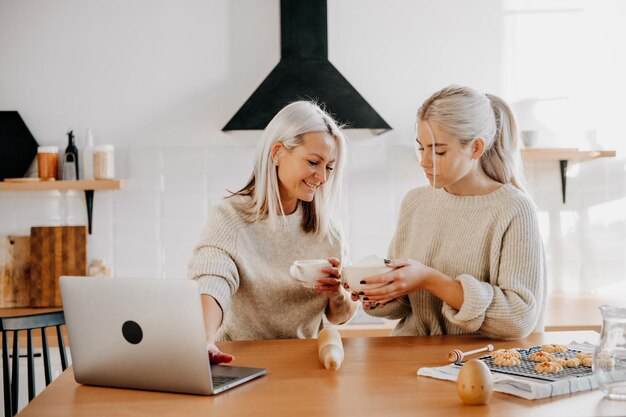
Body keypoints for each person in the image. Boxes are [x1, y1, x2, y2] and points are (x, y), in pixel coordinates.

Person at [355, 85, 546, 339]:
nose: (424, 161)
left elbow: (518, 318)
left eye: (439, 151)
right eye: (421, 148)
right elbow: (405, 306)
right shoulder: (415, 202)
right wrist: (376, 293)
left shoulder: (513, 209)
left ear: (476, 148)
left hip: (475, 365)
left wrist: (430, 280)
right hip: (409, 357)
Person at [188, 101, 357, 364]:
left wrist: (336, 294)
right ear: (277, 152)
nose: (323, 177)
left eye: (329, 166)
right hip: (241, 361)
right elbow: (213, 282)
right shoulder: (230, 218)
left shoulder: (328, 230)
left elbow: (340, 315)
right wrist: (206, 340)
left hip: (306, 364)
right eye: (314, 162)